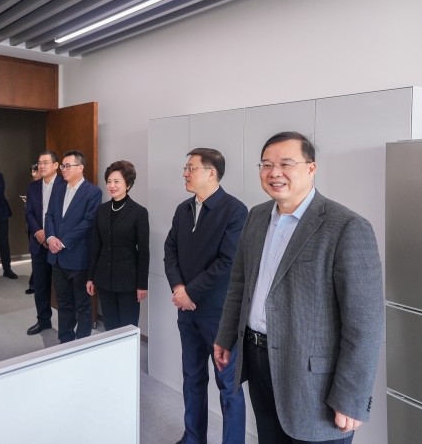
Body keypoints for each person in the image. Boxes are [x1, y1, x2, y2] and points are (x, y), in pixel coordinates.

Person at [213, 132, 384, 444]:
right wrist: (226, 335)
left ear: (311, 168)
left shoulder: (346, 226)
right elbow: (239, 283)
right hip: (257, 358)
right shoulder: (257, 216)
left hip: (314, 380)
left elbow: (365, 324)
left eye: (286, 163)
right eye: (266, 164)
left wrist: (352, 396)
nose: (274, 172)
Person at [164, 148, 247, 444]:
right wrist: (178, 288)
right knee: (192, 377)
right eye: (185, 168)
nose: (185, 173)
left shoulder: (235, 210)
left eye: (191, 168)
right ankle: (193, 438)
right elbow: (170, 250)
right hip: (186, 312)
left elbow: (228, 262)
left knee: (229, 387)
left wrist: (189, 292)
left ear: (211, 173)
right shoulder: (183, 209)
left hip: (218, 315)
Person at [44, 150, 102, 343]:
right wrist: (50, 237)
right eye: (63, 166)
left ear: (81, 167)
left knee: (83, 304)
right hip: (57, 258)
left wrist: (63, 241)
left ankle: (82, 344)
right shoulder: (59, 189)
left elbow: (89, 221)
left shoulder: (93, 192)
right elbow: (49, 215)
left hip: (78, 257)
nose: (64, 169)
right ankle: (65, 341)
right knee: (63, 303)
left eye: (68, 166)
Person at [86, 160, 149, 330]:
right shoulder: (102, 210)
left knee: (128, 327)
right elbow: (96, 245)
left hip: (128, 281)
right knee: (110, 326)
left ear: (128, 184)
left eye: (116, 181)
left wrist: (142, 284)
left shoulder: (139, 212)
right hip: (104, 279)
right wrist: (91, 277)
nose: (111, 186)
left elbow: (143, 251)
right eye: (109, 181)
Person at [24, 151, 67, 335]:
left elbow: (66, 216)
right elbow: (29, 213)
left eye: (46, 162)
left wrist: (50, 236)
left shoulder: (65, 185)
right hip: (38, 242)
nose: (41, 166)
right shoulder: (33, 187)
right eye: (40, 163)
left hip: (58, 244)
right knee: (40, 286)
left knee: (62, 288)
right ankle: (43, 321)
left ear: (56, 165)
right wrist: (39, 233)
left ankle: (66, 326)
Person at [25, 162, 41, 295]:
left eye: (36, 171)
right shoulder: (32, 187)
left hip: (47, 230)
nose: (34, 174)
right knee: (35, 255)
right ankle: (33, 283)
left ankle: (34, 283)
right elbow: (29, 212)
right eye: (32, 171)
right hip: (33, 228)